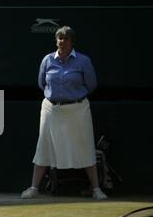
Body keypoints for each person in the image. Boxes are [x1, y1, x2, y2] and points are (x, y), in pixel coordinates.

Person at [21, 26, 108, 200]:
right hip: (51, 109)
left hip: (77, 110)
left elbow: (91, 84)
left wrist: (72, 97)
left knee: (84, 146)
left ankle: (96, 189)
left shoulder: (83, 61)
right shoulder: (47, 60)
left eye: (66, 38)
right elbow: (41, 83)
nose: (62, 41)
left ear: (72, 42)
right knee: (43, 146)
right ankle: (33, 188)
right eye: (60, 38)